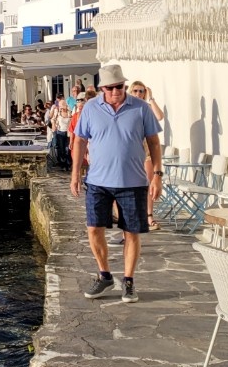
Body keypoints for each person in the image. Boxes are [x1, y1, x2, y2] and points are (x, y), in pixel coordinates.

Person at [69, 64, 162, 304]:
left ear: (124, 85)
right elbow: (79, 141)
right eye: (110, 88)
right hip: (97, 182)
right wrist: (75, 174)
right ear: (102, 88)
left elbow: (154, 142)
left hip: (133, 182)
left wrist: (157, 175)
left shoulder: (141, 108)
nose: (115, 91)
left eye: (119, 86)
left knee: (131, 232)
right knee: (93, 229)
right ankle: (105, 275)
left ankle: (128, 281)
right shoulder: (90, 108)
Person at [129, 81, 166, 227]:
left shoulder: (147, 108)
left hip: (146, 148)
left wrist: (151, 98)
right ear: (131, 92)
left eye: (141, 91)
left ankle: (149, 215)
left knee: (148, 182)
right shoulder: (127, 108)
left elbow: (160, 116)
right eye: (135, 91)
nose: (138, 93)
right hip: (132, 149)